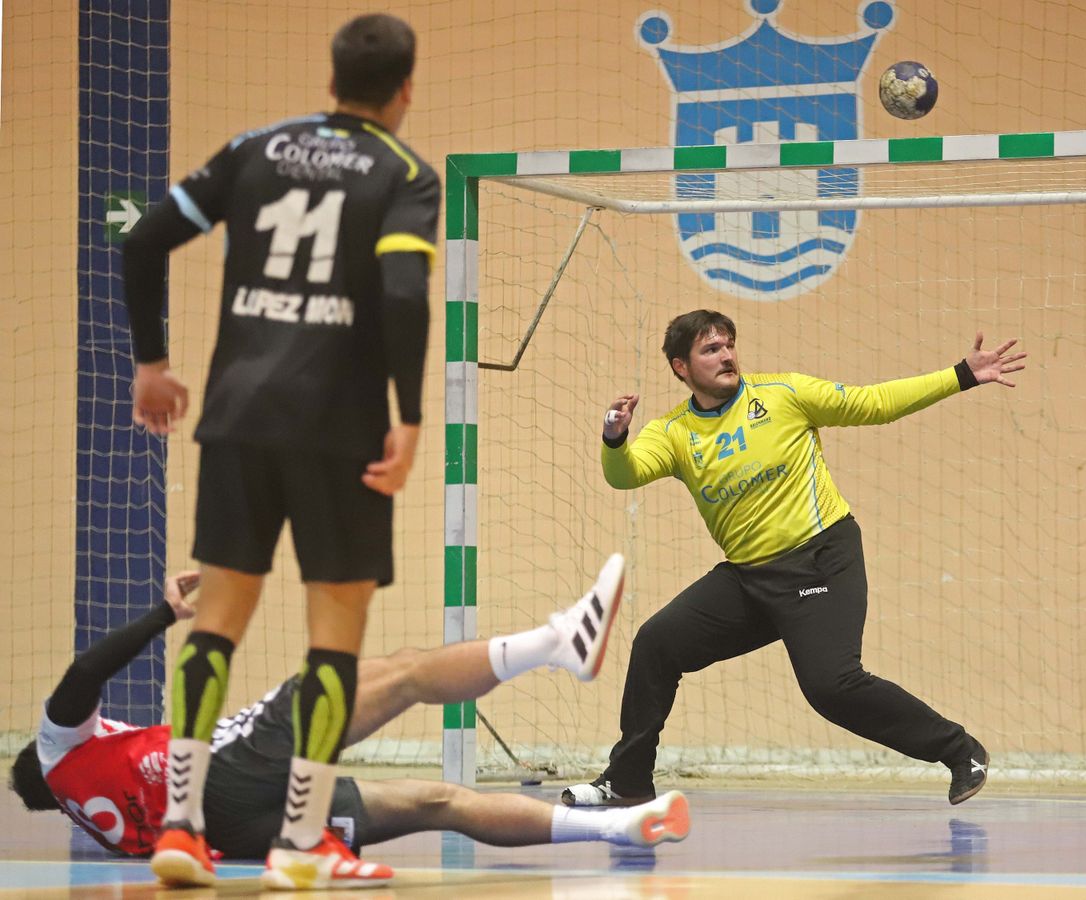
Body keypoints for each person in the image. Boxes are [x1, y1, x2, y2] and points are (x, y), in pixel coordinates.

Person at [118, 13, 437, 889]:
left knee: (215, 625)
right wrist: (407, 415)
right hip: (340, 432)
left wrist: (153, 364)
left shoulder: (257, 146)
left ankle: (180, 829)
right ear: (406, 88)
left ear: (331, 78)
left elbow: (143, 239)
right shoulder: (406, 173)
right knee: (333, 640)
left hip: (237, 421)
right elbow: (404, 293)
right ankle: (300, 841)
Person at [564, 310, 1026, 809]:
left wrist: (961, 375)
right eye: (710, 350)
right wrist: (615, 439)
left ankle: (961, 751)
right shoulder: (674, 432)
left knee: (832, 686)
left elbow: (874, 404)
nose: (726, 356)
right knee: (657, 642)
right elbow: (626, 474)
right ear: (681, 367)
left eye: (728, 345)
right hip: (750, 576)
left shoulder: (783, 395)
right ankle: (628, 780)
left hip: (821, 558)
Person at [8, 558, 693, 870]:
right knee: (403, 673)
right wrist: (166, 612)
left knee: (435, 800)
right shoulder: (57, 750)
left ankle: (621, 826)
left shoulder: (104, 826)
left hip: (242, 827)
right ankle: (557, 643)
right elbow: (83, 673)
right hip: (228, 770)